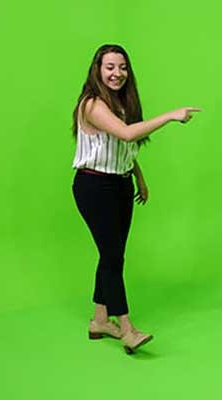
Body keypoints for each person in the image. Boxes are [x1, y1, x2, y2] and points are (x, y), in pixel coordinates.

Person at [71, 44, 199, 354]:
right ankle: (127, 329)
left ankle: (100, 320)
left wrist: (138, 176)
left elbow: (123, 146)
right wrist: (170, 115)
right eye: (110, 67)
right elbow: (127, 134)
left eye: (123, 67)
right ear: (97, 70)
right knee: (113, 258)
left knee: (111, 255)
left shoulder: (122, 102)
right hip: (94, 187)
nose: (117, 73)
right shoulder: (92, 104)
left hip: (120, 185)